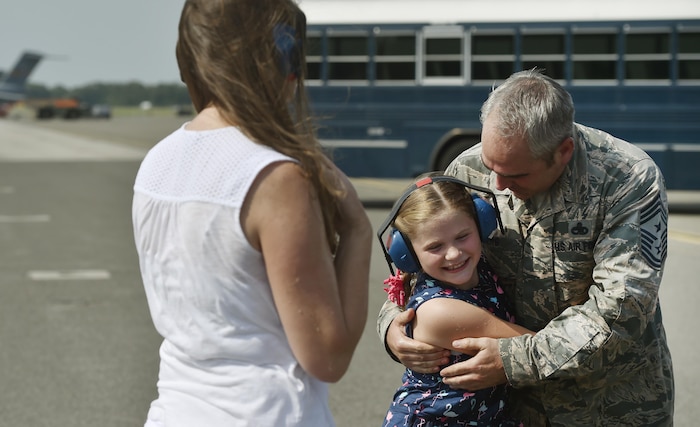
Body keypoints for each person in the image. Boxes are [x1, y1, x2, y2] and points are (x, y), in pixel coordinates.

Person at [377, 69, 674, 426]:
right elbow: (419, 265)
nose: (498, 185)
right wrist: (394, 327)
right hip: (508, 411)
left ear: (562, 151)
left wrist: (513, 359)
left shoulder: (626, 179)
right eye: (492, 168)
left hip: (607, 407)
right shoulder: (470, 168)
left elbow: (621, 314)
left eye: (516, 176)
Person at [132, 1, 372, 425]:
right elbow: (328, 358)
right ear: (279, 59)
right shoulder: (275, 179)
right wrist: (356, 230)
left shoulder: (157, 162)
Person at [377, 174, 533, 427]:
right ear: (409, 255)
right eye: (435, 246)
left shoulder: (480, 268)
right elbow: (536, 347)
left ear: (481, 224)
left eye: (463, 237)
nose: (454, 253)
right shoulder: (441, 312)